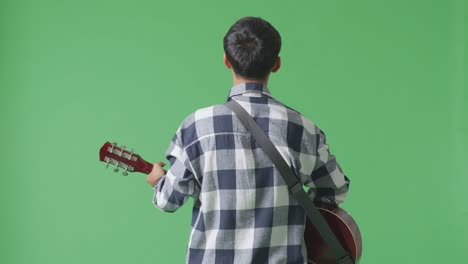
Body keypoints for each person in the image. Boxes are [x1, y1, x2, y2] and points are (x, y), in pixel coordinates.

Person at [146, 16, 350, 264]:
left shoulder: (197, 126)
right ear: (276, 64)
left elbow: (168, 200)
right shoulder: (302, 128)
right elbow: (335, 188)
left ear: (225, 60)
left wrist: (159, 181)